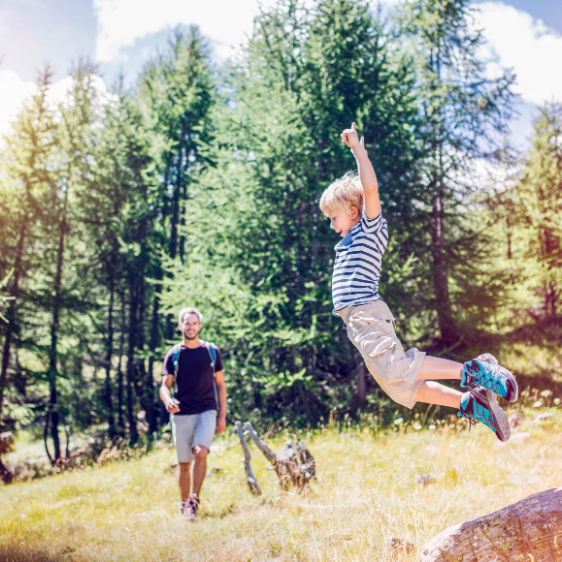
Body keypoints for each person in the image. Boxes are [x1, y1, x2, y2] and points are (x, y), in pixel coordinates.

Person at [320, 123, 517, 441]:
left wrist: (358, 149)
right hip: (357, 321)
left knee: (398, 370)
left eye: (333, 217)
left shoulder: (368, 229)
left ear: (354, 211)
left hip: (365, 313)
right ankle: (471, 402)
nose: (331, 225)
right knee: (399, 388)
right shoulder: (349, 238)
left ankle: (474, 371)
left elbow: (370, 189)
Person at [160, 307, 227, 521]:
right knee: (184, 465)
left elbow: (220, 384)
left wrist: (222, 415)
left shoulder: (211, 351)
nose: (191, 327)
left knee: (201, 452)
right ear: (180, 326)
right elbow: (164, 386)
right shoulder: (174, 354)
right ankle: (184, 505)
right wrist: (167, 399)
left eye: (194, 323)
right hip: (181, 414)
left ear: (199, 326)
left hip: (207, 410)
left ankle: (193, 501)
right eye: (187, 323)